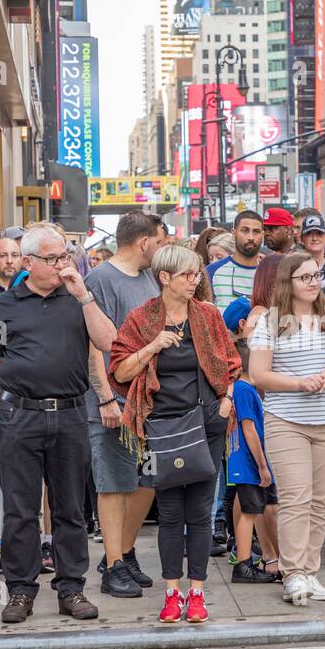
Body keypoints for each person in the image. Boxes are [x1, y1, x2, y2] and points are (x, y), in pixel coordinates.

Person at [0, 226, 117, 623]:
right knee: (19, 509)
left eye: (64, 256)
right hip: (18, 416)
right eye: (52, 259)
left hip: (69, 414)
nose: (60, 265)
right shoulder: (7, 305)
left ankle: (71, 587)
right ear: (29, 263)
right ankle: (20, 590)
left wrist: (83, 294)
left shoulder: (79, 299)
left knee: (70, 507)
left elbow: (108, 341)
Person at [110, 245, 241, 623]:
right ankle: (172, 594)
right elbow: (119, 372)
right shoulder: (141, 319)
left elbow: (231, 364)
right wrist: (154, 345)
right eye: (187, 274)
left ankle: (196, 594)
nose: (194, 280)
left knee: (200, 512)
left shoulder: (207, 315)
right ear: (164, 277)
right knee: (169, 513)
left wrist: (227, 400)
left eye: (197, 274)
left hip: (207, 423)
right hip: (161, 428)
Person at [249, 253, 325, 606]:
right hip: (286, 420)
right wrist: (298, 383)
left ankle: (310, 572)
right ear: (288, 283)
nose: (314, 283)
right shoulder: (270, 321)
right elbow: (258, 374)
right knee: (295, 497)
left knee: (320, 500)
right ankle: (293, 572)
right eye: (305, 278)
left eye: (317, 276)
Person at [84, 212, 162, 599]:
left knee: (149, 479)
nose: (161, 248)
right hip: (114, 403)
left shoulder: (149, 277)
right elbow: (92, 346)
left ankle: (125, 552)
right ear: (143, 242)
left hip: (149, 403)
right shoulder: (100, 280)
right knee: (114, 483)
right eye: (159, 242)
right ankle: (112, 564)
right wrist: (104, 398)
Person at [225, 298, 281, 582]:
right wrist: (262, 465)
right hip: (249, 465)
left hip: (248, 464)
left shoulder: (243, 389)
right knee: (249, 512)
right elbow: (249, 429)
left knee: (252, 509)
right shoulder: (245, 390)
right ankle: (243, 564)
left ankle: (246, 561)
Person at [208, 211, 265, 311]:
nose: (251, 237)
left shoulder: (271, 272)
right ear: (234, 233)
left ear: (262, 235)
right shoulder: (212, 271)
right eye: (245, 231)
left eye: (256, 231)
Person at [295, 209, 325, 281]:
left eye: (319, 233)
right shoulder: (294, 266)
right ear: (302, 239)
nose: (314, 238)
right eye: (309, 234)